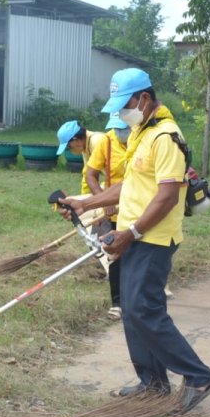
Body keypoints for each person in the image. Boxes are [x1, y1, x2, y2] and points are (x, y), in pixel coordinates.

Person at [61, 68, 210, 414]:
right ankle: (153, 383)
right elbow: (129, 185)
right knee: (132, 311)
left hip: (153, 238)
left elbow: (166, 197)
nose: (120, 113)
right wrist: (85, 202)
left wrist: (131, 233)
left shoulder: (166, 137)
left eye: (124, 105)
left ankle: (199, 377)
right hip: (132, 235)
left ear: (144, 99)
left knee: (144, 309)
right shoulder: (140, 133)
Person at [84, 113, 130, 319]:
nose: (121, 133)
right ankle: (118, 303)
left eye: (124, 129)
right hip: (115, 208)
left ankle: (140, 299)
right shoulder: (106, 142)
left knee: (140, 252)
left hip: (140, 207)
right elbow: (91, 174)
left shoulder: (144, 140)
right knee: (116, 254)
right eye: (117, 129)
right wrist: (104, 199)